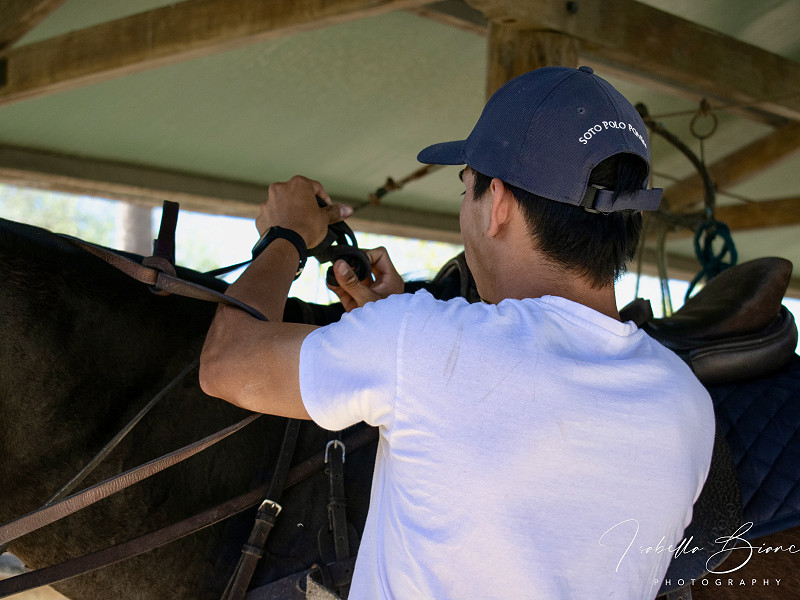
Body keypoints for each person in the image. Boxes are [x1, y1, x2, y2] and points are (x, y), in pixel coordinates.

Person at [200, 65, 715, 599]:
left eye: (464, 187)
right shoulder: (687, 402)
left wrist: (286, 236)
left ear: (498, 204)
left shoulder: (417, 345)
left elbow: (227, 364)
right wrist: (399, 323)